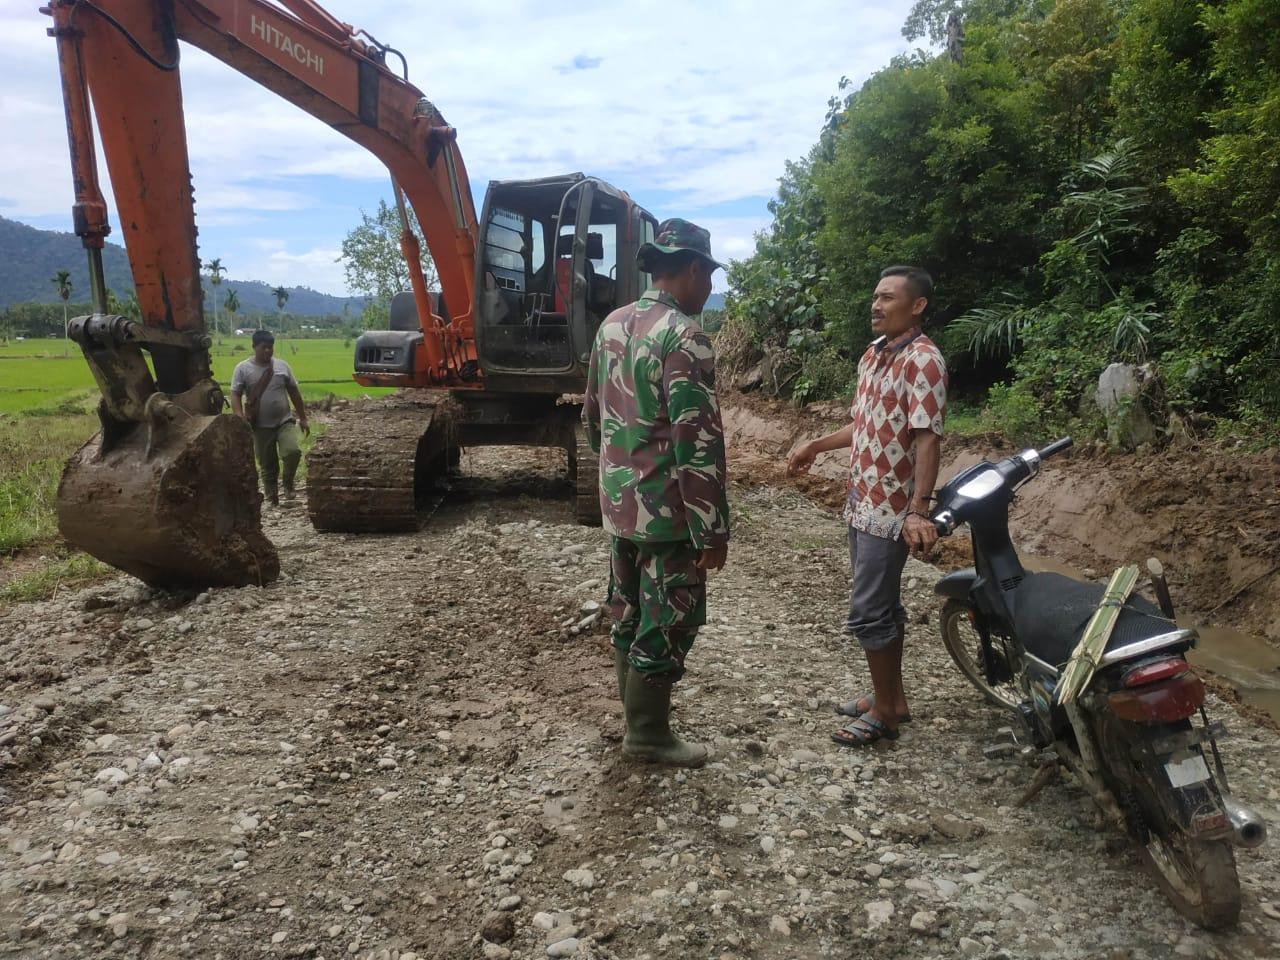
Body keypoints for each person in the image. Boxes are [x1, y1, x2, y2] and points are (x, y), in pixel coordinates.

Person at [583, 218, 731, 768]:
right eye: (709, 275)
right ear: (692, 269)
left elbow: (592, 418)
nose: (709, 287)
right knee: (668, 618)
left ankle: (636, 723)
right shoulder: (683, 335)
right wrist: (711, 528)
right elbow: (698, 442)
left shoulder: (612, 326)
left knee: (625, 609)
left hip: (621, 506)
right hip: (669, 517)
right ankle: (647, 735)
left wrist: (618, 480)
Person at [788, 266, 947, 747]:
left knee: (869, 611)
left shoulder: (924, 359)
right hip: (862, 502)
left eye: (888, 298)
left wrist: (919, 510)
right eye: (874, 297)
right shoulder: (874, 355)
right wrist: (816, 445)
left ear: (916, 305)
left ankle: (884, 716)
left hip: (892, 511)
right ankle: (891, 698)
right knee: (883, 606)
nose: (876, 305)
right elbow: (862, 425)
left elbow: (927, 439)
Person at [230, 330, 310, 507]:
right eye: (263, 347)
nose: (268, 351)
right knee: (267, 464)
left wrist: (303, 418)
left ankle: (288, 485)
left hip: (284, 420)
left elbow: (294, 393)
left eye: (270, 347)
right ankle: (271, 496)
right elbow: (235, 394)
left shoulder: (282, 366)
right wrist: (239, 416)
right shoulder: (243, 369)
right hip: (259, 425)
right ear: (254, 347)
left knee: (292, 452)